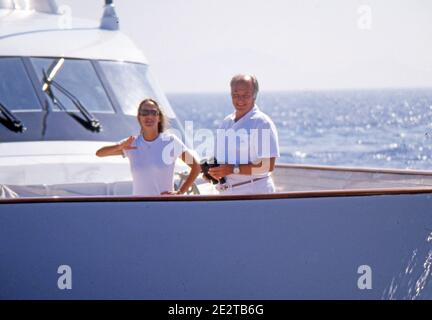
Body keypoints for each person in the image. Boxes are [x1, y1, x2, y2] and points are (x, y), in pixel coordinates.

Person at [96, 98, 201, 196]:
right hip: (139, 207)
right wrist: (119, 146)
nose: (149, 116)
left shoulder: (170, 142)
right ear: (139, 117)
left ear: (159, 117)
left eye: (153, 113)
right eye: (144, 113)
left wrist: (179, 193)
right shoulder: (132, 143)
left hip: (165, 206)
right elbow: (100, 153)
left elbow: (196, 167)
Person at [208, 74, 280, 194]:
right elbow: (220, 160)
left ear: (254, 96)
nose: (240, 100)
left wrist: (232, 169)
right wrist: (212, 173)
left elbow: (267, 166)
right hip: (226, 194)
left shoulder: (262, 123)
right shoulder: (226, 122)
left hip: (255, 193)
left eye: (245, 95)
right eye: (236, 95)